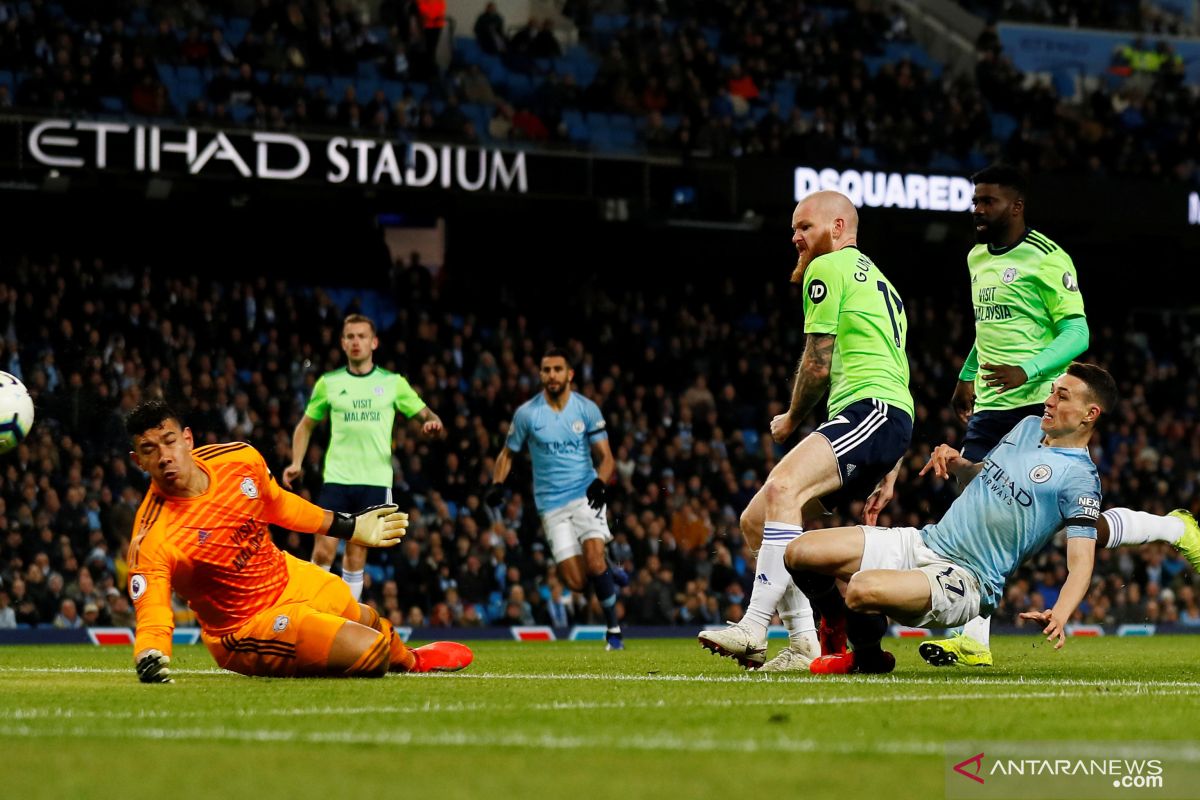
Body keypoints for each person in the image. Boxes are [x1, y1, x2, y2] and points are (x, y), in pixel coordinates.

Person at [924, 165, 1200, 667]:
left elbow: (1078, 335)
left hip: (1037, 404)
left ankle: (1174, 530)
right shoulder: (975, 257)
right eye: (975, 201)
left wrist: (1027, 370)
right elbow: (989, 328)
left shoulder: (1049, 259)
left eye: (988, 201)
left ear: (1016, 206)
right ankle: (973, 642)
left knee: (1065, 524)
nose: (978, 210)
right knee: (980, 510)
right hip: (990, 405)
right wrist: (968, 371)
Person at [698, 190, 913, 672]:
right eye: (793, 229)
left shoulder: (827, 269)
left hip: (869, 411)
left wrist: (792, 419)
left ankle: (754, 626)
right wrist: (893, 466)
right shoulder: (883, 284)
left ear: (838, 227)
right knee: (757, 520)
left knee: (781, 485)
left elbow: (818, 363)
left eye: (805, 227)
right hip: (883, 417)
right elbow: (897, 372)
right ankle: (801, 644)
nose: (795, 238)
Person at [786, 363, 1115, 674]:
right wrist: (958, 464)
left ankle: (864, 656)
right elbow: (984, 476)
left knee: (859, 588)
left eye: (1062, 396)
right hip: (927, 541)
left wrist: (1060, 613)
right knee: (799, 553)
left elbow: (1082, 563)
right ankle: (844, 631)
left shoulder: (1080, 478)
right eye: (1052, 391)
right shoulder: (1028, 427)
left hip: (967, 578)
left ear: (1090, 414)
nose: (1049, 400)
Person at [125, 399, 471, 683]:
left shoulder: (238, 459)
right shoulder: (154, 534)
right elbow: (152, 609)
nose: (164, 456)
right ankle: (313, 652)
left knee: (366, 617)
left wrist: (349, 527)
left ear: (187, 439)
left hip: (288, 577)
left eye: (169, 441)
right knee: (370, 651)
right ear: (138, 461)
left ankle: (411, 660)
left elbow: (279, 504)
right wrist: (150, 652)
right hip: (244, 627)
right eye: (149, 450)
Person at [283, 314, 444, 603]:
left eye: (361, 336)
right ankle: (310, 613)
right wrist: (296, 462)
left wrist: (431, 423)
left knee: (356, 556)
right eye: (350, 336)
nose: (356, 341)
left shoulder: (393, 383)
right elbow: (305, 425)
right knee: (323, 551)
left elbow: (427, 414)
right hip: (336, 479)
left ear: (374, 342)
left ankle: (346, 619)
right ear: (343, 343)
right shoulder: (329, 383)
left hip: (375, 480)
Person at [486, 348, 626, 650]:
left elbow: (606, 458)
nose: (552, 375)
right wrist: (497, 484)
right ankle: (609, 569)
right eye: (546, 370)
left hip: (584, 494)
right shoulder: (527, 414)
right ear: (540, 375)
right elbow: (508, 453)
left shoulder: (586, 409)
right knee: (576, 582)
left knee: (592, 558)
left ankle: (613, 631)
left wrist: (601, 482)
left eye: (557, 369)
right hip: (550, 505)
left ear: (569, 374)